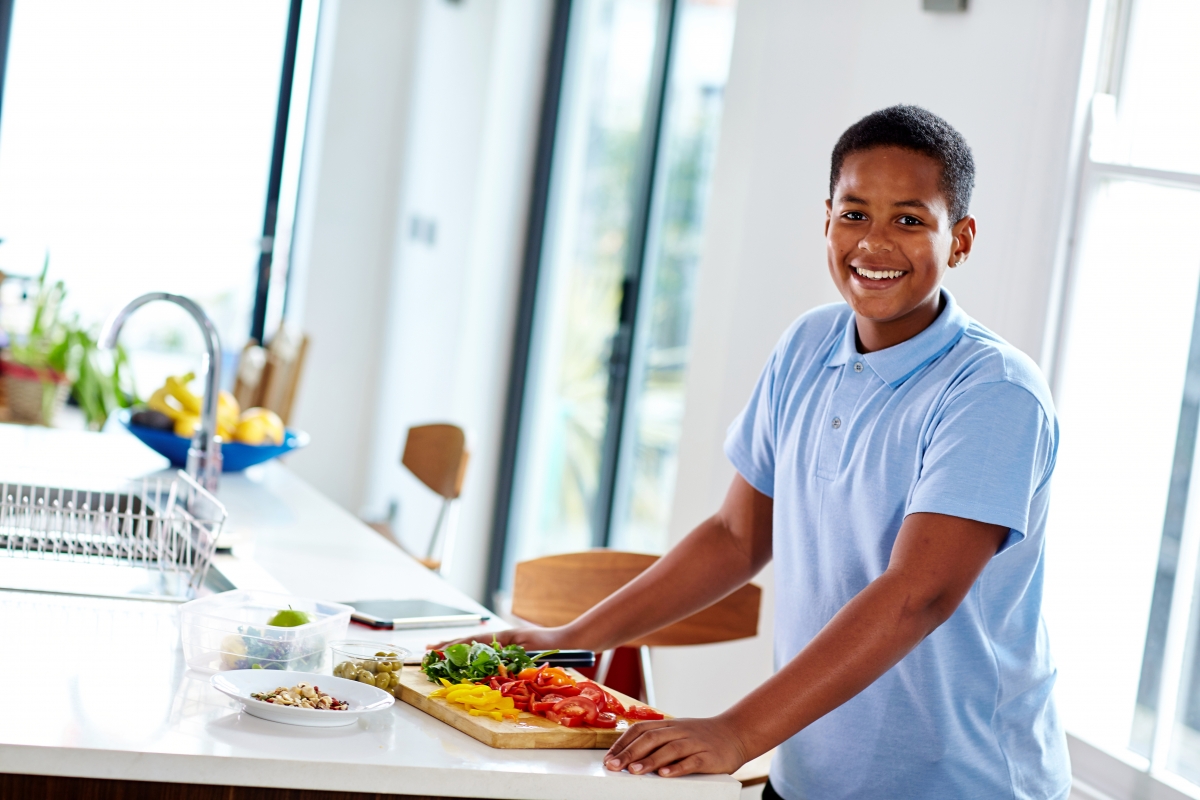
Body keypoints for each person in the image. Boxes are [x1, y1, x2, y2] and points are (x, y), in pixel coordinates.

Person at [441, 105, 1070, 799]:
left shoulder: (994, 393)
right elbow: (738, 536)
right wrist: (575, 637)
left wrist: (737, 732)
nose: (876, 243)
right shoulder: (808, 344)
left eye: (911, 220)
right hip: (811, 777)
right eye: (855, 214)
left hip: (959, 785)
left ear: (961, 240)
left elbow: (916, 597)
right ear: (826, 219)